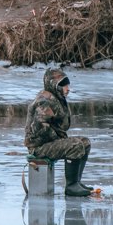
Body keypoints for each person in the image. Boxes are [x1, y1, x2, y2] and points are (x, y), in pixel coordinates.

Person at [24, 67, 93, 196]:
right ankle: (71, 187)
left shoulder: (57, 98)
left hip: (48, 143)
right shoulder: (44, 101)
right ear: (53, 85)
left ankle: (76, 182)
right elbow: (41, 129)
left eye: (67, 85)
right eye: (63, 85)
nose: (68, 89)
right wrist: (59, 139)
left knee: (85, 143)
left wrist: (60, 139)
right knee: (75, 146)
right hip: (39, 147)